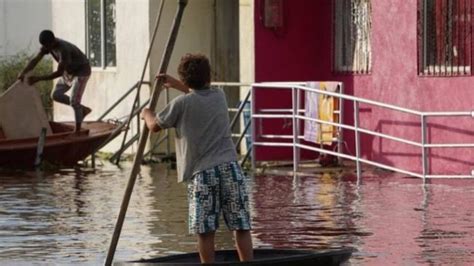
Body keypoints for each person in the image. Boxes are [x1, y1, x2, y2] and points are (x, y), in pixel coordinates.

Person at [141, 53, 253, 263]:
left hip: (203, 174)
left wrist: (146, 113)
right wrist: (177, 84)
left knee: (205, 230)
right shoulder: (218, 96)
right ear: (209, 77)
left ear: (185, 80)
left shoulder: (180, 104)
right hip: (230, 168)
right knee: (241, 225)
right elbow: (198, 95)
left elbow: (154, 126)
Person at [18, 30, 92, 132]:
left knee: (74, 101)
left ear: (52, 42)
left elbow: (58, 73)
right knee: (55, 95)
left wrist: (38, 78)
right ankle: (82, 109)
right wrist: (23, 72)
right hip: (69, 72)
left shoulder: (63, 49)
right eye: (45, 46)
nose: (46, 49)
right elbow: (35, 60)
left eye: (48, 46)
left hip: (81, 72)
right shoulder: (48, 46)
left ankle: (77, 131)